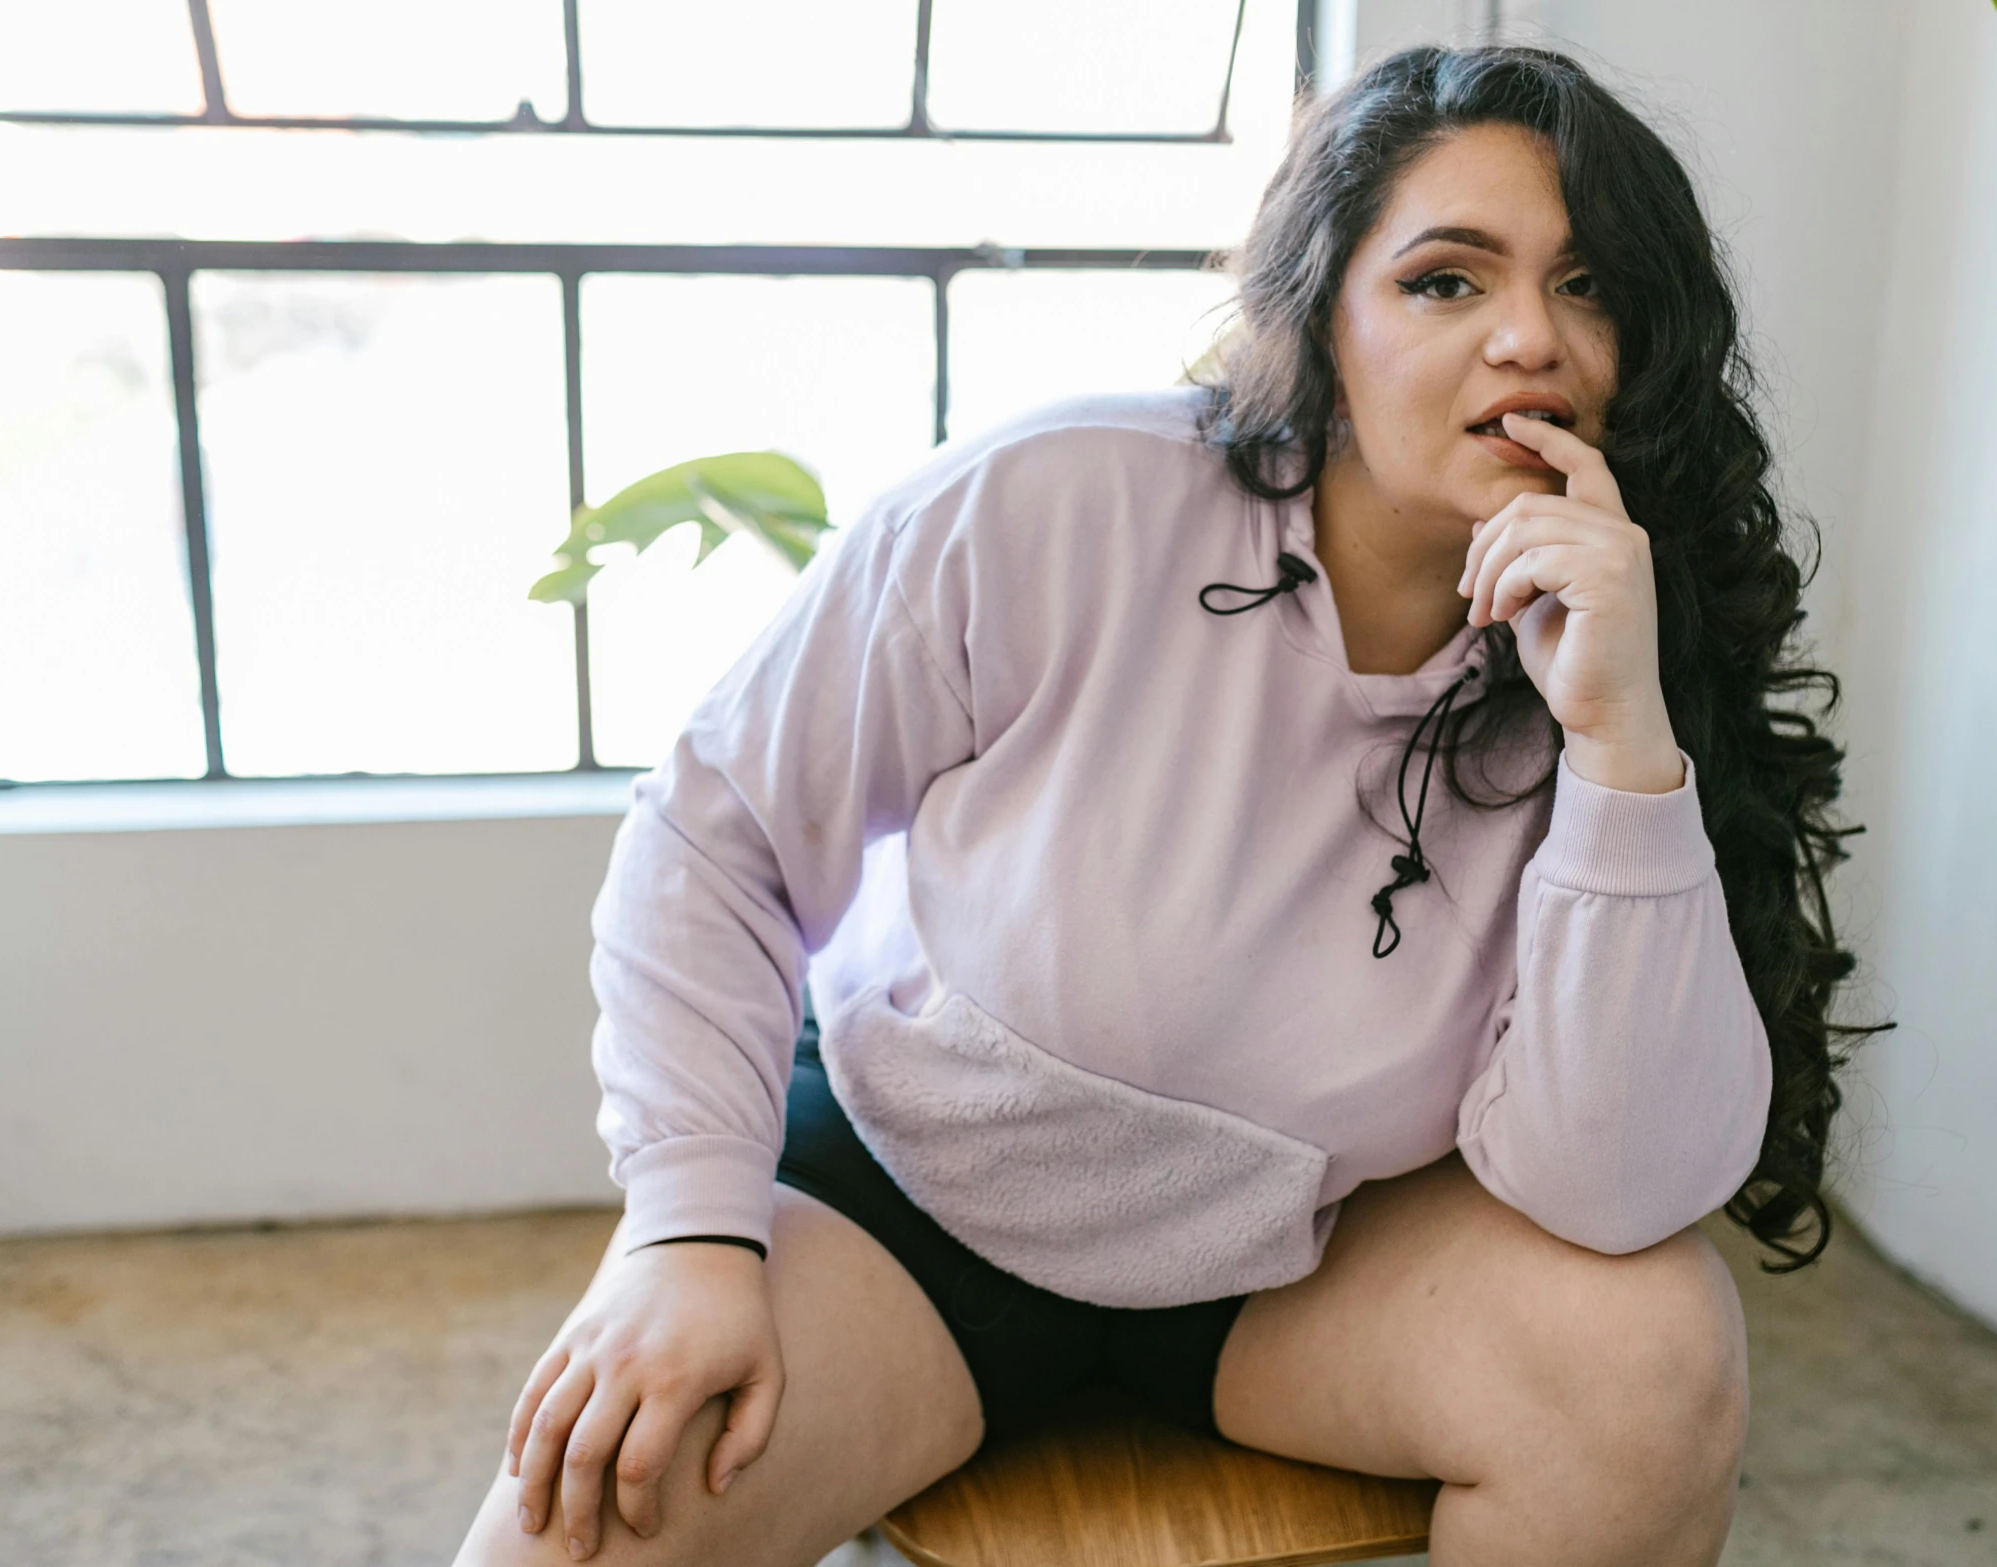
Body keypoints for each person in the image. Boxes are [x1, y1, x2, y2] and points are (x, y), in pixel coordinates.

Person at [455, 43, 1866, 1567]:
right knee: (589, 1520)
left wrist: (1617, 741)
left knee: (1652, 1355)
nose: (1527, 334)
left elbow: (1614, 1190)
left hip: (1295, 1263)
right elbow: (713, 832)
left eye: (1584, 284)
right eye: (1445, 281)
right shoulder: (1055, 500)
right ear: (1325, 318)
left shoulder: (1619, 658)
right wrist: (686, 1228)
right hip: (904, 1210)